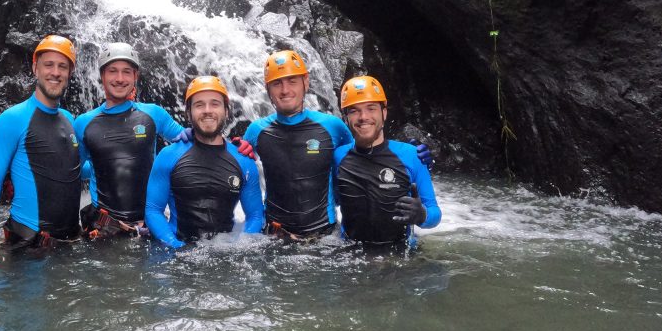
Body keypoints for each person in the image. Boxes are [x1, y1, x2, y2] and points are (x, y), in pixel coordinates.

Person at [243, 50, 432, 241]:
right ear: (267, 89)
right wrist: (237, 146)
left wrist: (415, 159)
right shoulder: (256, 131)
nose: (285, 90)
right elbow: (236, 164)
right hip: (274, 235)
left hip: (324, 237)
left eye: (292, 81)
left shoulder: (332, 126)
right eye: (277, 83)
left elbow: (366, 153)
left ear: (306, 82)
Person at [0, 35, 83, 264]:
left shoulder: (70, 120)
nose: (55, 72)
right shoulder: (13, 118)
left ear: (70, 73)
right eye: (48, 64)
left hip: (70, 244)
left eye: (62, 66)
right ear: (35, 68)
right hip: (29, 247)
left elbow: (70, 170)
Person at [73, 42, 186, 239]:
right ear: (102, 76)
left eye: (127, 72)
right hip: (102, 231)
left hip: (149, 227)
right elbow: (72, 171)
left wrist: (236, 147)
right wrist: (101, 167)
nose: (119, 79)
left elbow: (192, 143)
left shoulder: (153, 114)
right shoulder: (83, 123)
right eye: (112, 71)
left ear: (135, 76)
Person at [144, 76, 265, 249]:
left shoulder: (243, 160)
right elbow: (153, 210)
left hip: (225, 255)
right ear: (188, 112)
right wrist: (175, 247)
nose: (207, 110)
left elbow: (255, 216)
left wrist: (240, 247)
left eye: (215, 104)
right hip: (177, 253)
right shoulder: (169, 156)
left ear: (226, 111)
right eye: (199, 105)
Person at [333, 76, 441, 251]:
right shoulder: (338, 156)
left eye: (371, 108)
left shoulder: (412, 156)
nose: (363, 117)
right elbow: (332, 201)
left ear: (384, 113)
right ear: (346, 117)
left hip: (399, 255)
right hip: (352, 254)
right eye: (354, 110)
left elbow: (435, 213)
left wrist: (421, 215)